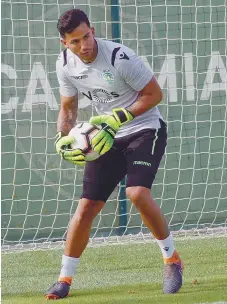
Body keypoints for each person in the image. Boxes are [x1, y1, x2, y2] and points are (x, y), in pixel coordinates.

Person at [46, 8, 184, 300]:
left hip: (144, 129)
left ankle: (172, 260)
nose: (84, 45)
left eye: (87, 36)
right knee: (86, 207)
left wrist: (118, 118)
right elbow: (68, 108)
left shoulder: (120, 57)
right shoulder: (64, 65)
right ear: (65, 44)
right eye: (75, 41)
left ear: (92, 30)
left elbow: (154, 95)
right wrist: (62, 137)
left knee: (137, 193)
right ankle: (64, 279)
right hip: (105, 137)